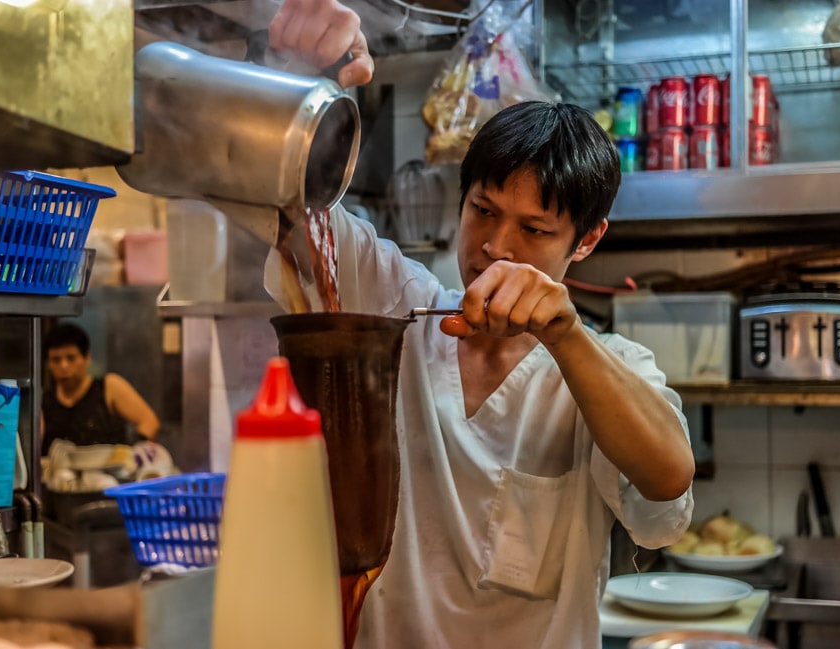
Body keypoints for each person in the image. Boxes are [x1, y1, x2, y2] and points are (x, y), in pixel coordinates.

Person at [266, 3, 695, 647]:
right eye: (483, 210)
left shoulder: (604, 368)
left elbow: (668, 479)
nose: (496, 246)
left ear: (586, 240)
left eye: (534, 229)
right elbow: (288, 211)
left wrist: (566, 334)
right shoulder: (399, 300)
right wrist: (298, 80)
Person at [40, 322, 160, 456]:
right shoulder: (42, 400)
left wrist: (131, 454)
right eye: (56, 360)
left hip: (111, 473)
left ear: (87, 358)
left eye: (71, 358)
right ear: (48, 364)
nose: (64, 366)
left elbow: (149, 422)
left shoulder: (109, 387)